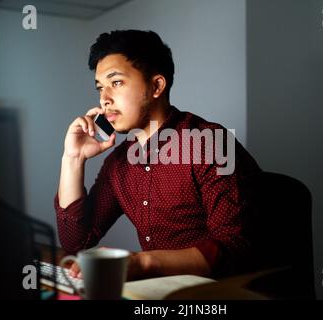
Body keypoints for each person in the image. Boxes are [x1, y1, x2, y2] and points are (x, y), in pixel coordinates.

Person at [55, 30, 261, 281]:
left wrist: (144, 262)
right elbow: (76, 242)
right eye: (100, 87)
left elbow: (235, 249)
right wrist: (73, 159)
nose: (104, 99)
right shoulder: (120, 162)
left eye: (116, 82)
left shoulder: (210, 143)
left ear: (156, 86)